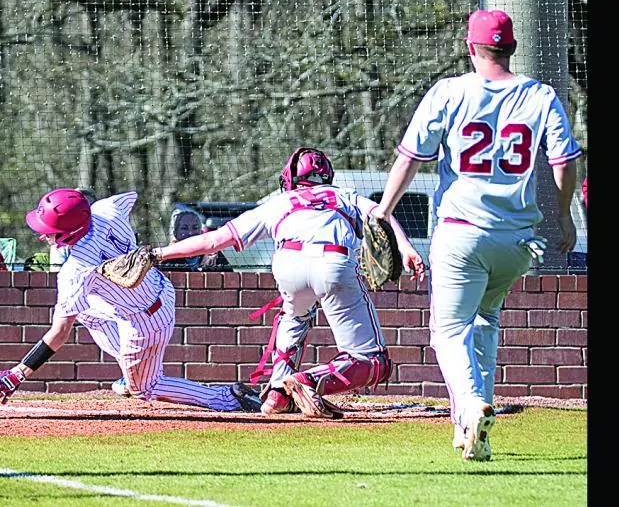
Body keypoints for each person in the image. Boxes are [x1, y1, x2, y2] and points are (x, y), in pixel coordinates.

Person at [371, 9, 582, 461]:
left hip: (462, 235)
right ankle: (471, 431)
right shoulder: (540, 95)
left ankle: (468, 407)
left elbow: (411, 158)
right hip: (517, 241)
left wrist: (384, 209)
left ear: (470, 47)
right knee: (485, 321)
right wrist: (565, 217)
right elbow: (565, 162)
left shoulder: (449, 91)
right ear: (512, 48)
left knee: (448, 331)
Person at [145, 147, 426, 418]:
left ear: (290, 178)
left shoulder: (278, 203)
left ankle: (277, 394)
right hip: (334, 261)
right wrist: (406, 247)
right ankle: (307, 380)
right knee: (372, 360)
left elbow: (213, 241)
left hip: (288, 265)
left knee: (294, 315)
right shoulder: (343, 195)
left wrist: (157, 254)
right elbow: (381, 215)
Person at [0, 188, 262, 413]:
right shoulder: (106, 209)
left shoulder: (76, 269)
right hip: (158, 289)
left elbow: (59, 333)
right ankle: (131, 372)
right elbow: (131, 196)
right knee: (85, 310)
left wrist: (19, 373)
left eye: (50, 231)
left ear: (69, 234)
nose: (42, 235)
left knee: (145, 389)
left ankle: (226, 398)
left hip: (145, 322)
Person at [157, 205, 232, 271]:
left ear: (201, 232)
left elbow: (231, 279)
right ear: (175, 233)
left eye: (195, 228)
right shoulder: (167, 258)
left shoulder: (214, 256)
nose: (190, 233)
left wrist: (212, 270)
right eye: (184, 228)